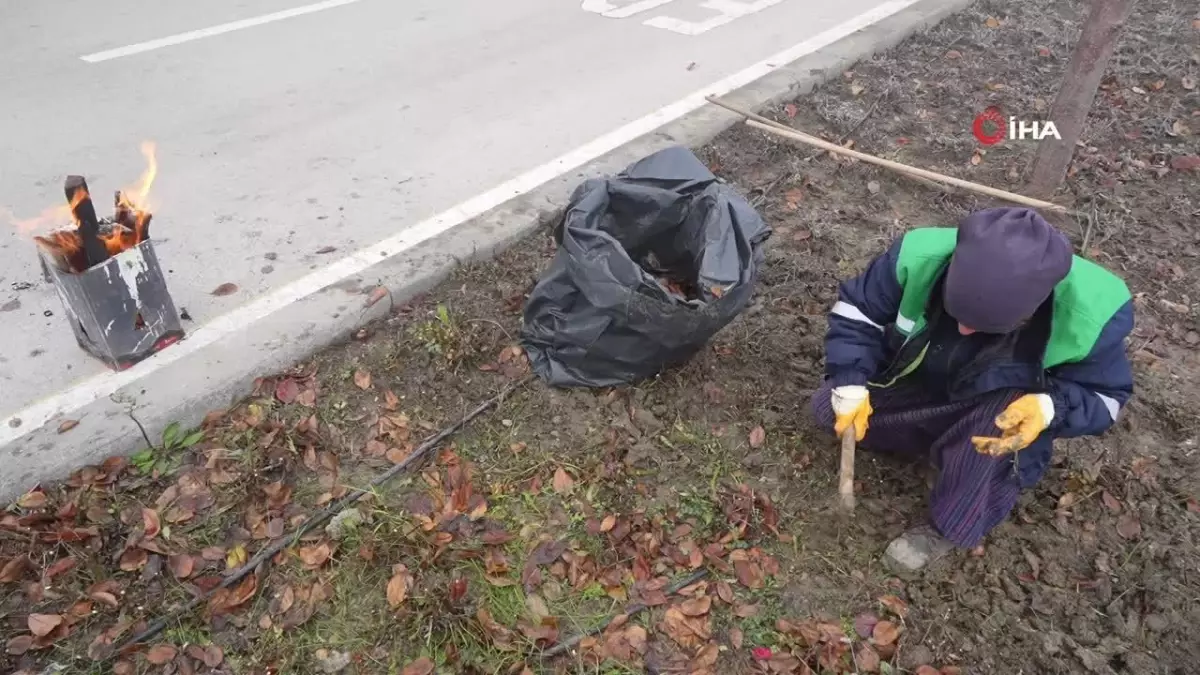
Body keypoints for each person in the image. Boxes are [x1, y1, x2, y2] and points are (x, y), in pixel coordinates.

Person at [811, 207, 1134, 571]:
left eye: (981, 326)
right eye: (956, 314)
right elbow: (857, 312)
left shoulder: (1091, 315)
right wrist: (851, 380)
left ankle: (949, 524)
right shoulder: (919, 257)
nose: (963, 330)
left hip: (992, 414)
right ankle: (937, 443)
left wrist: (1049, 408)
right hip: (923, 380)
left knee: (1003, 424)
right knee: (827, 407)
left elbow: (1107, 399)